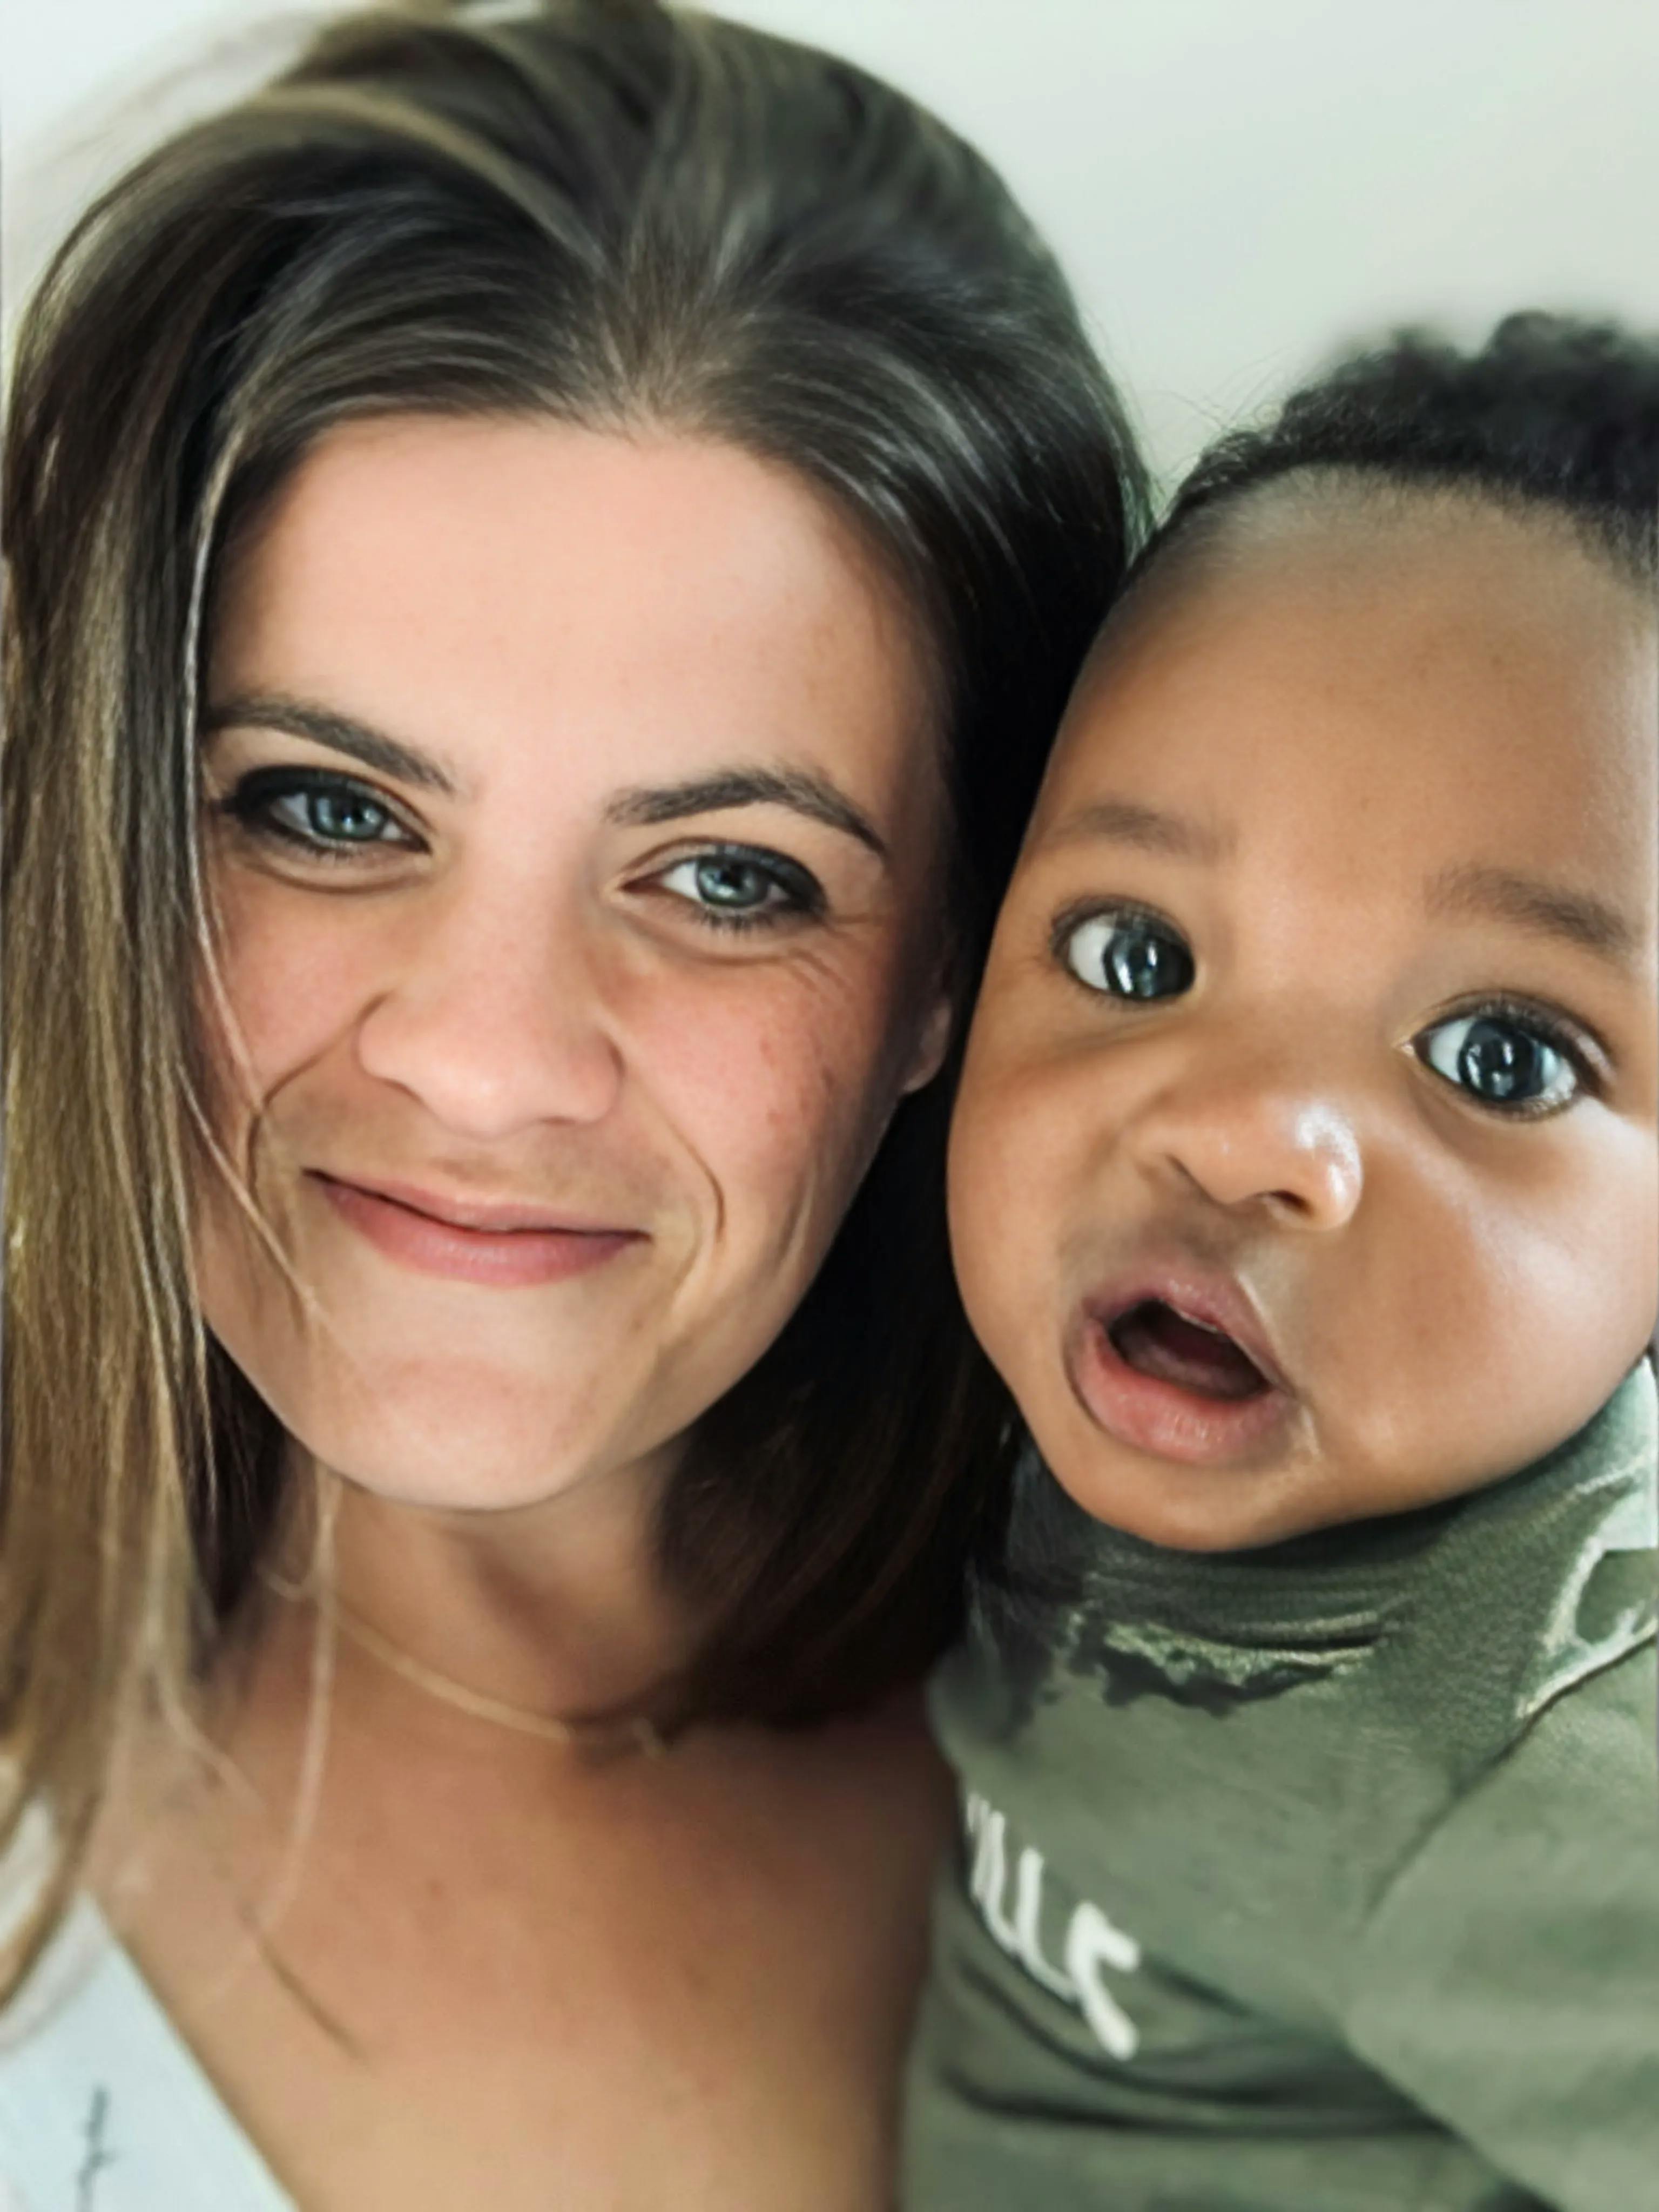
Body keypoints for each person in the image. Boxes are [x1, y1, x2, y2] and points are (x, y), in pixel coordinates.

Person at [0, 4, 1148, 2205]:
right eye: (325, 809)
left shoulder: (1368, 1775)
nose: (487, 1055)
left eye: (731, 877)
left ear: (954, 964)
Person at [904, 314, 1659, 2211]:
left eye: (1502, 1055)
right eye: (1135, 956)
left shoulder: (1530, 1759)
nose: (1244, 1129)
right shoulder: (1044, 1386)